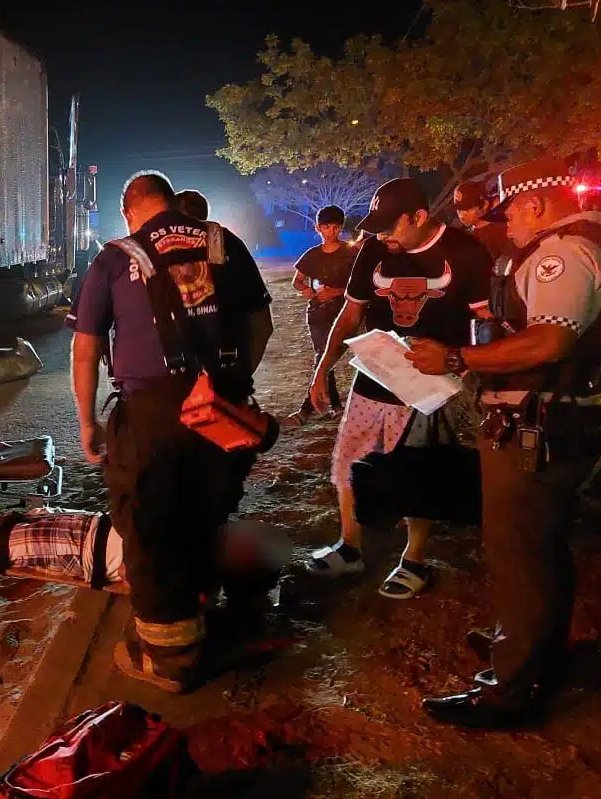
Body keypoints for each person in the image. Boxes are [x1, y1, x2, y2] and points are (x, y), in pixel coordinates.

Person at [407, 158, 601, 728]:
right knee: (537, 549)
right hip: (546, 423)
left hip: (539, 430)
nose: (508, 227)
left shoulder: (562, 252)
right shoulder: (583, 243)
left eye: (511, 214)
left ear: (537, 204)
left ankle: (513, 687)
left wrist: (457, 358)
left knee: (519, 554)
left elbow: (549, 342)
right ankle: (532, 645)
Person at [68, 170, 274, 692]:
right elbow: (262, 324)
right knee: (209, 506)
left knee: (151, 523)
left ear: (129, 209)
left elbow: (87, 347)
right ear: (170, 203)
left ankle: (169, 658)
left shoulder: (117, 257)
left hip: (152, 415)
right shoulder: (222, 242)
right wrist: (230, 384)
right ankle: (208, 605)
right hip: (221, 406)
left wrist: (88, 420)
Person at [305, 178, 493, 598]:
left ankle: (414, 559)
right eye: (378, 226)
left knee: (416, 470)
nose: (383, 235)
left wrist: (462, 360)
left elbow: (485, 322)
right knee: (349, 459)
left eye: (392, 226)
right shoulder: (372, 251)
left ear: (420, 217)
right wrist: (323, 368)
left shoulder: (464, 253)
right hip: (373, 375)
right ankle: (349, 545)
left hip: (429, 384)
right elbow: (351, 315)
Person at [0, 512, 291, 595]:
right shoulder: (206, 538)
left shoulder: (195, 567)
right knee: (3, 535)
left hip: (80, 548)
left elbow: (137, 578)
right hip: (88, 530)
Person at [285, 205, 357, 426]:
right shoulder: (312, 255)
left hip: (343, 311)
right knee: (323, 354)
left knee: (329, 354)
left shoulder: (351, 253)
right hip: (318, 313)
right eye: (326, 227)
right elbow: (297, 281)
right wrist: (307, 291)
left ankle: (310, 408)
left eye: (336, 227)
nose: (331, 231)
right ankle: (329, 406)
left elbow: (362, 285)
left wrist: (336, 292)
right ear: (318, 228)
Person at [454, 178, 513, 263]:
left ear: (485, 204)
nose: (462, 214)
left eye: (468, 208)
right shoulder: (470, 240)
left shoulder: (507, 223)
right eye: (459, 209)